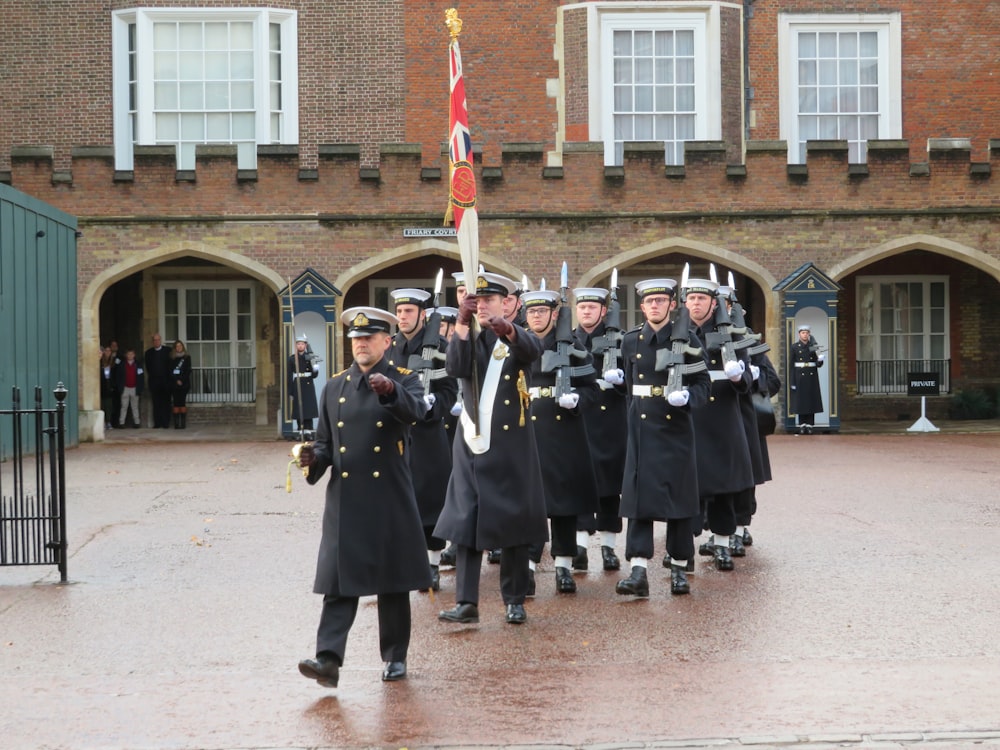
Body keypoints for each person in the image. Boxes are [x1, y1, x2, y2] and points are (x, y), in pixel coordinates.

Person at [295, 306, 431, 688]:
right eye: (356, 339)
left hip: (388, 494)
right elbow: (325, 444)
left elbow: (418, 413)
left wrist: (392, 393)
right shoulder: (335, 386)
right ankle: (328, 659)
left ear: (386, 343)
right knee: (339, 583)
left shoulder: (405, 379)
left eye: (369, 338)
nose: (361, 345)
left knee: (392, 582)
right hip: (346, 498)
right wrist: (312, 459)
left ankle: (394, 657)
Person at [435, 272, 548, 626]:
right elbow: (454, 367)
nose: (483, 305)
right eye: (477, 301)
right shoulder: (467, 335)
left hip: (509, 447)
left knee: (512, 525)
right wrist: (462, 321)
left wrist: (509, 330)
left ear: (507, 304)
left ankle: (514, 600)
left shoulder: (515, 339)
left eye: (489, 301)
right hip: (470, 444)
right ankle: (466, 601)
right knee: (466, 524)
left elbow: (534, 351)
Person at [613, 279, 710, 596]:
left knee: (679, 501)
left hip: (675, 427)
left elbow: (703, 385)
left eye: (660, 301)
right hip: (641, 425)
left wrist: (687, 397)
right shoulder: (631, 341)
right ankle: (638, 570)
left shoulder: (689, 340)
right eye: (649, 302)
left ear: (671, 305)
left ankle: (679, 568)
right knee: (637, 501)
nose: (654, 306)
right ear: (641, 307)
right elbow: (628, 384)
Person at [522, 289, 599, 595]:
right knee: (530, 504)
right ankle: (527, 567)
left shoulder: (572, 344)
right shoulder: (519, 344)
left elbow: (592, 389)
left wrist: (575, 399)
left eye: (542, 311)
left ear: (554, 314)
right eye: (532, 312)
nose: (536, 316)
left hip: (563, 432)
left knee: (564, 504)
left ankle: (564, 566)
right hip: (526, 430)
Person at [387, 288, 459, 592]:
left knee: (431, 504)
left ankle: (431, 564)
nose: (403, 317)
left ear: (422, 314)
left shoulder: (441, 347)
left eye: (408, 312)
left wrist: (433, 404)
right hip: (396, 436)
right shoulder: (389, 348)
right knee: (399, 502)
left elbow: (450, 390)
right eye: (400, 312)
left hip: (429, 435)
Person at [684, 276, 755, 572]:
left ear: (714, 304)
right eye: (692, 299)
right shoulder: (677, 333)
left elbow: (749, 384)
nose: (696, 303)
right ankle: (682, 547)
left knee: (724, 488)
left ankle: (722, 545)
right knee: (686, 487)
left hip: (723, 415)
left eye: (702, 299)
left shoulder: (732, 334)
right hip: (689, 415)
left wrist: (738, 376)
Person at [572, 286, 627, 572]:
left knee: (609, 490)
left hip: (610, 420)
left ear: (603, 311)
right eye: (582, 308)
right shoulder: (568, 340)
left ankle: (608, 547)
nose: (586, 312)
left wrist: (621, 381)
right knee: (580, 484)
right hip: (579, 417)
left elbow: (636, 374)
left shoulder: (620, 339)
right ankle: (579, 547)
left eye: (592, 308)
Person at [790, 323, 825, 433]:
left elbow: (818, 364)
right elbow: (791, 365)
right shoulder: (794, 347)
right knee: (801, 401)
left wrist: (820, 360)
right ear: (799, 334)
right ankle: (802, 424)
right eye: (803, 333)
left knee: (811, 400)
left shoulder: (813, 346)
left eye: (806, 333)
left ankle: (810, 425)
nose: (805, 335)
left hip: (811, 376)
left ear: (809, 334)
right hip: (799, 375)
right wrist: (792, 381)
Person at [288, 334, 320, 435]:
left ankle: (309, 431)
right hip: (297, 383)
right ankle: (300, 431)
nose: (300, 346)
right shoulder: (292, 359)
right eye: (298, 344)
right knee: (299, 409)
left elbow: (314, 375)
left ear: (305, 345)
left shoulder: (310, 357)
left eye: (302, 344)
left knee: (308, 408)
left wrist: (315, 369)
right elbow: (289, 375)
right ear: (296, 346)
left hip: (308, 383)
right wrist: (290, 391)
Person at [144, 333, 173, 428]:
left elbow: (170, 367)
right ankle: (157, 423)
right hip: (154, 382)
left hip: (165, 382)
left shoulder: (168, 351)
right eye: (154, 340)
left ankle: (166, 423)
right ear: (153, 342)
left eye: (158, 340)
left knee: (166, 403)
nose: (156, 342)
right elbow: (148, 368)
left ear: (160, 340)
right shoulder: (148, 353)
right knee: (156, 404)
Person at [116, 348, 144, 428]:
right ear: (126, 355)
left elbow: (141, 377)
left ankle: (137, 422)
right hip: (125, 388)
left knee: (134, 406)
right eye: (128, 354)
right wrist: (120, 387)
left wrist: (140, 388)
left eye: (132, 354)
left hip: (135, 388)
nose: (130, 356)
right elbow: (118, 376)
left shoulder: (138, 364)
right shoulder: (122, 364)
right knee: (124, 406)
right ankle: (121, 423)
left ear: (134, 355)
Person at [170, 340, 192, 429]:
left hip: (184, 383)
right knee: (176, 402)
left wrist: (181, 380)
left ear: (182, 347)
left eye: (180, 346)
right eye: (177, 346)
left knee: (182, 402)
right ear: (175, 348)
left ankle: (182, 423)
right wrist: (176, 380)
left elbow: (188, 370)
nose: (179, 347)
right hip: (174, 384)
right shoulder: (172, 358)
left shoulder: (187, 357)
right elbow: (170, 370)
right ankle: (176, 423)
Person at [99, 346, 118, 430]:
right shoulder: (100, 362)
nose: (107, 352)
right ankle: (102, 422)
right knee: (102, 405)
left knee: (109, 406)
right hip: (101, 386)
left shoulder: (114, 362)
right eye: (106, 351)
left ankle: (109, 421)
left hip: (110, 387)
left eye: (109, 351)